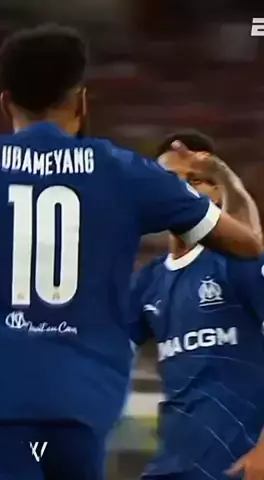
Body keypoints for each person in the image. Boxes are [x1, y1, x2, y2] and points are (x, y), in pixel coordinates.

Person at [0, 26, 260, 480]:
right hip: (82, 402)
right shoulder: (128, 172)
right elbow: (248, 243)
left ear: (5, 102)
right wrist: (221, 175)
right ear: (81, 102)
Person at [130, 130, 264, 480]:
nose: (183, 190)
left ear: (218, 192)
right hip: (171, 466)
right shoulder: (147, 282)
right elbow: (103, 349)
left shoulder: (239, 264)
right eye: (170, 181)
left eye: (197, 180)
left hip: (238, 466)